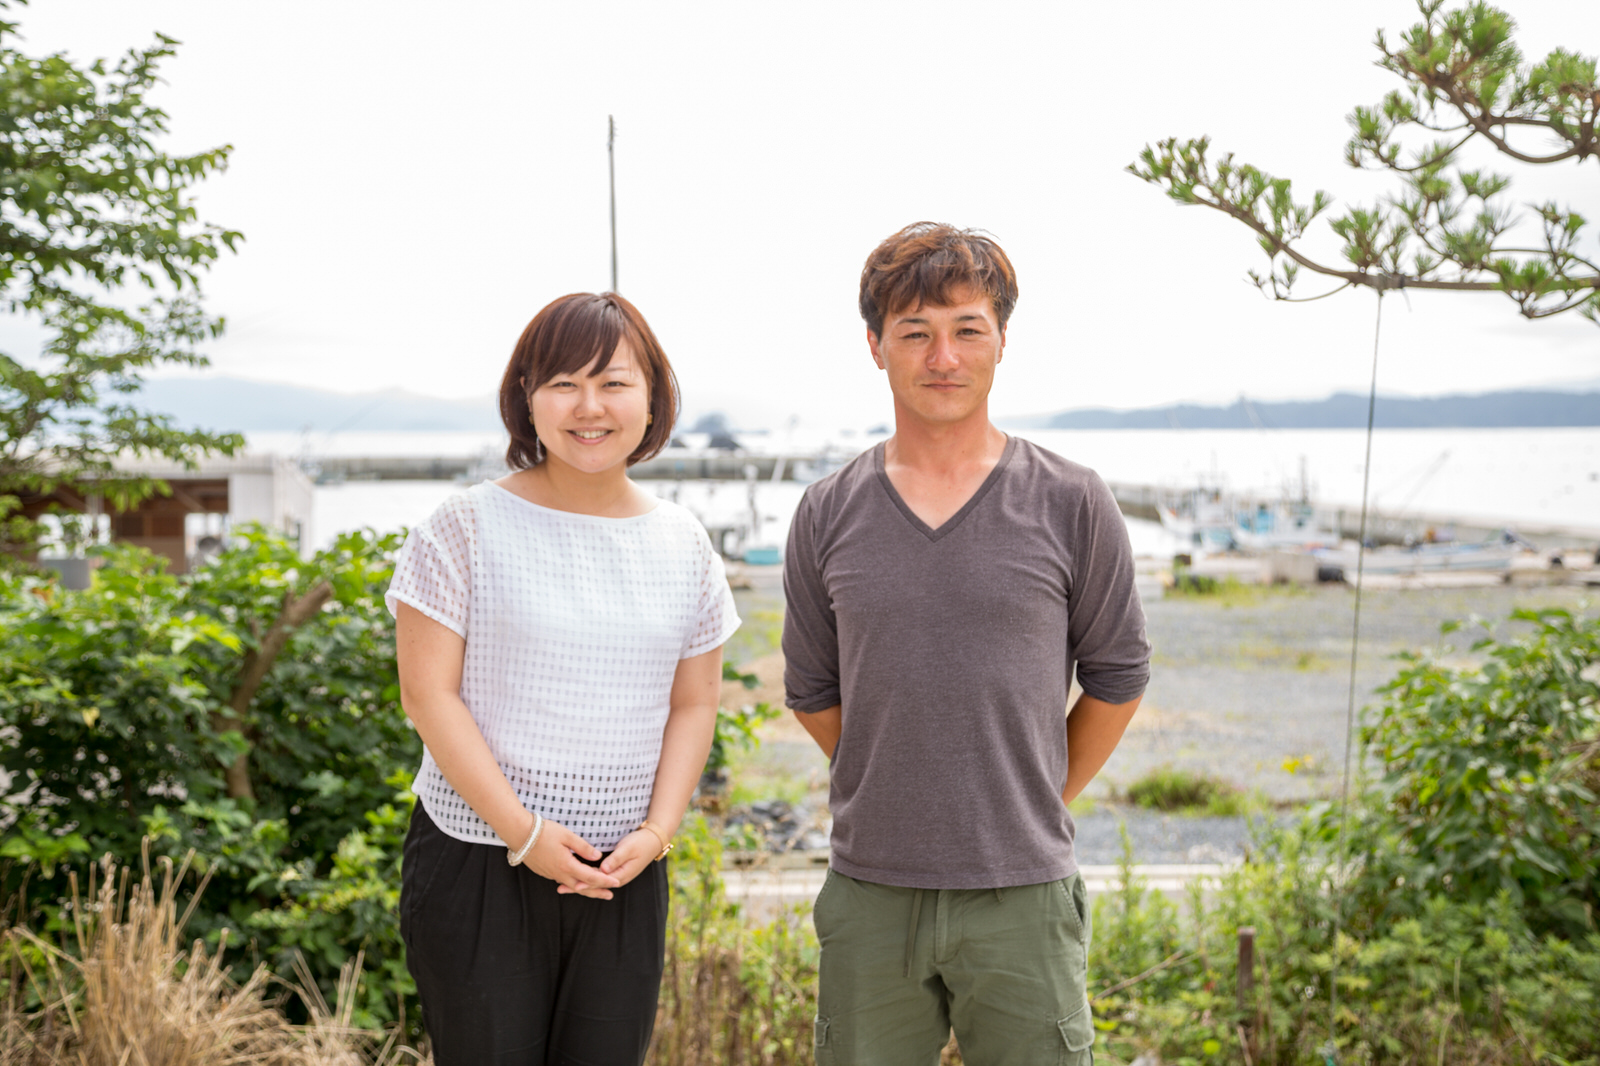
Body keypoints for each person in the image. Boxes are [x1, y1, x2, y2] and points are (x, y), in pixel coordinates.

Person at [783, 223, 1151, 1066]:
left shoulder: (1072, 500)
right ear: (875, 346)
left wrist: (1035, 792)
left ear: (1002, 341)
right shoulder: (827, 510)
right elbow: (813, 691)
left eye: (967, 330)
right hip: (872, 889)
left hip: (1025, 891)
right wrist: (898, 780)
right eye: (915, 332)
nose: (942, 356)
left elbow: (1118, 674)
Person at [387, 292, 739, 1065]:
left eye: (614, 383)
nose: (590, 407)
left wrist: (657, 833)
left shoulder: (684, 542)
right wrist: (526, 834)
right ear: (526, 397)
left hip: (624, 869)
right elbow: (428, 696)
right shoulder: (463, 527)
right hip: (479, 856)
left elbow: (694, 703)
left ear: (653, 397)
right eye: (563, 383)